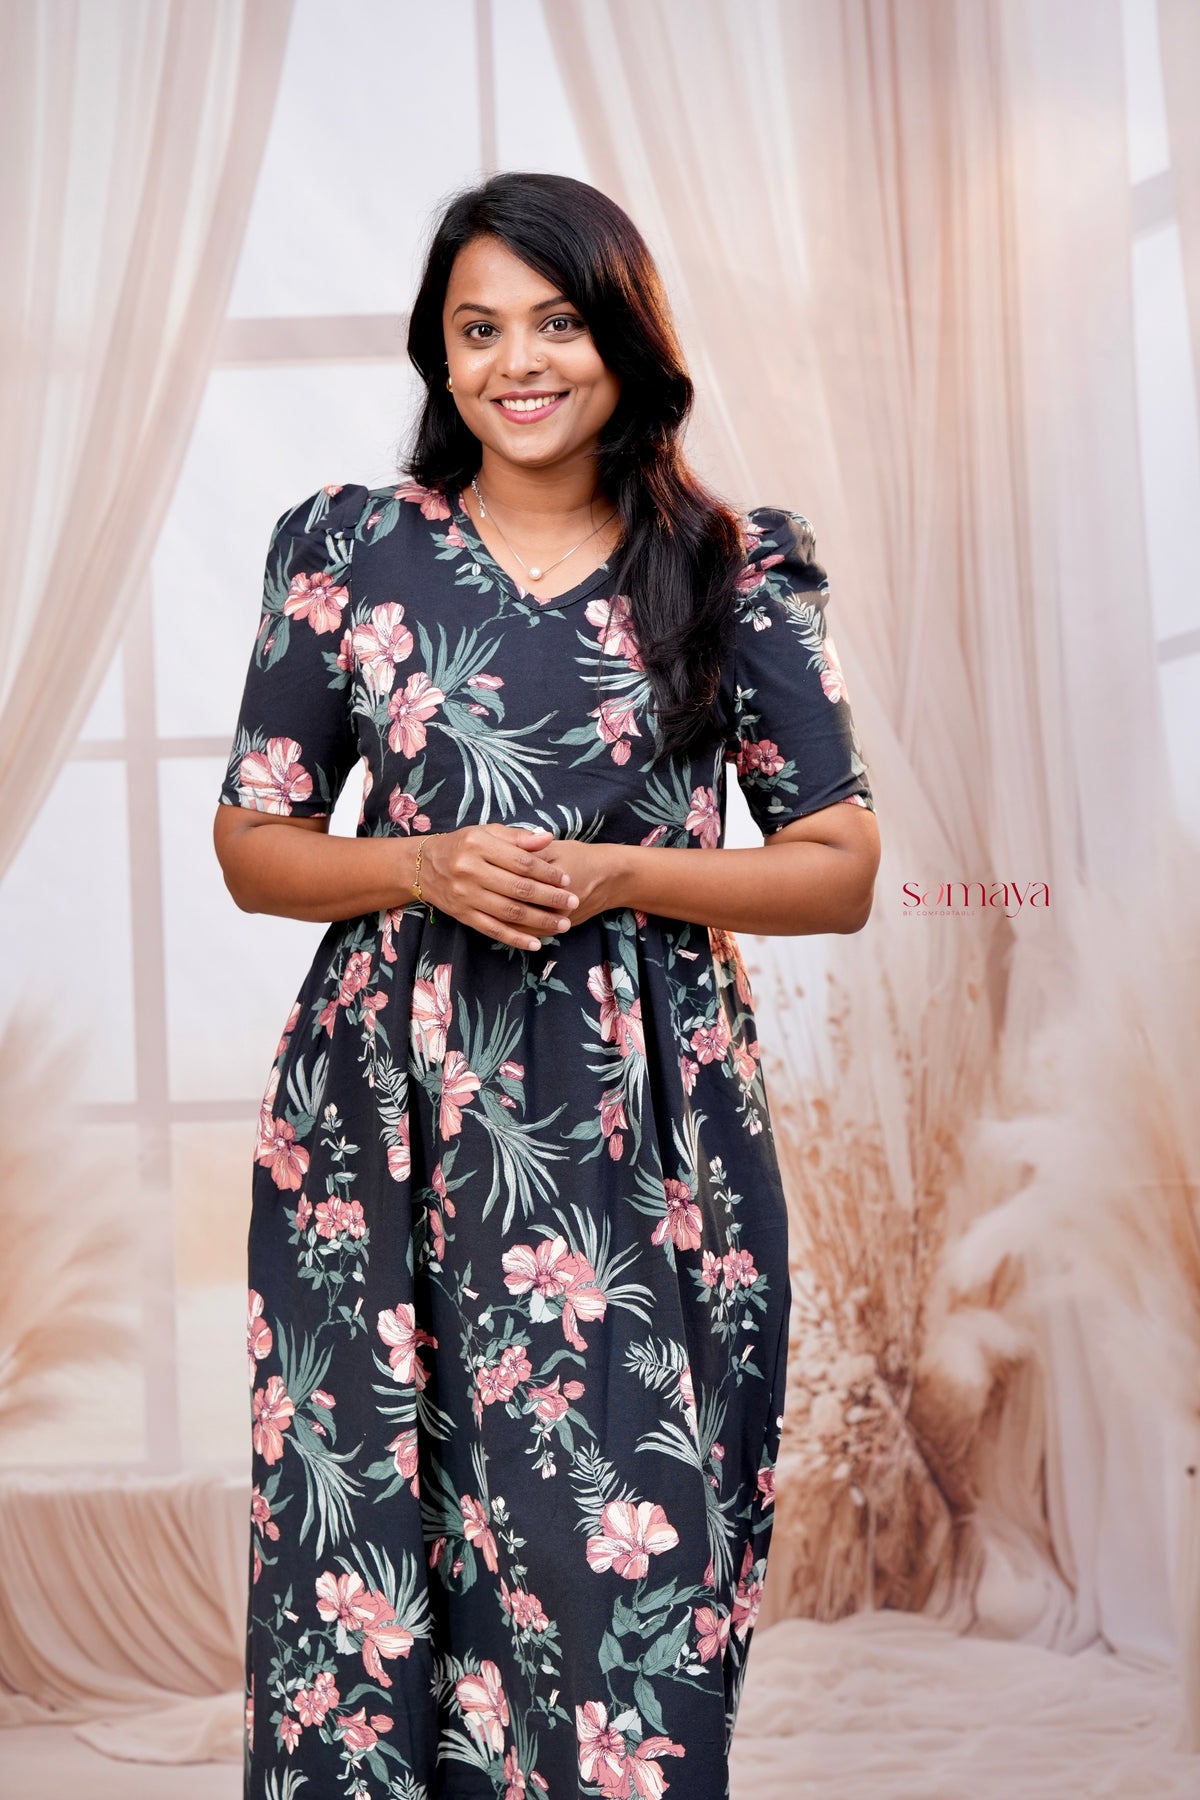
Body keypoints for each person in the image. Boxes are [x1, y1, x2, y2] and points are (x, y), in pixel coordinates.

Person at [213, 169, 879, 1800]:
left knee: (623, 1561)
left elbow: (841, 865)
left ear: (624, 338)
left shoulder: (733, 563)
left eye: (558, 322)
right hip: (377, 1128)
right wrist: (421, 865)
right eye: (478, 329)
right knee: (371, 1549)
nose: (518, 362)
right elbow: (254, 842)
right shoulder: (348, 548)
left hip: (643, 1133)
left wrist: (624, 873)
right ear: (439, 356)